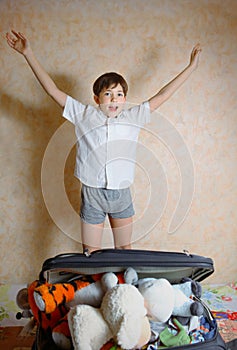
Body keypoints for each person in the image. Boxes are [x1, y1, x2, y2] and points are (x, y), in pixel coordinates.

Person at [6, 30, 201, 253]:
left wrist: (191, 68)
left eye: (119, 94)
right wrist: (27, 53)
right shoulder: (83, 115)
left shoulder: (133, 117)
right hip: (92, 193)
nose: (114, 99)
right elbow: (52, 91)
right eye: (108, 94)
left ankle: (123, 287)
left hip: (121, 194)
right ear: (97, 99)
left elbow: (163, 95)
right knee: (90, 253)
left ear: (125, 99)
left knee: (125, 248)